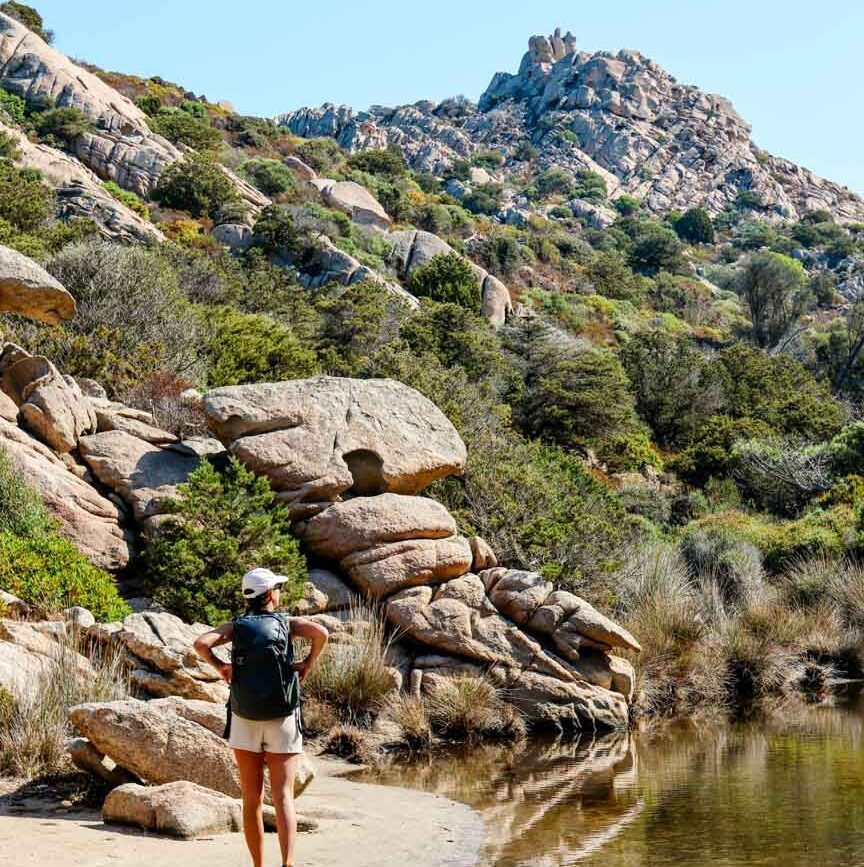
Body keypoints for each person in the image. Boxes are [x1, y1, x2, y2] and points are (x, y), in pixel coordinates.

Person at [194, 567, 329, 867]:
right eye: (278, 588)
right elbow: (321, 633)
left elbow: (201, 644)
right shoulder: (288, 623)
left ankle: (258, 865)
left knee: (251, 800)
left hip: (244, 718)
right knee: (283, 798)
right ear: (269, 594)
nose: (279, 592)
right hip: (282, 717)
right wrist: (307, 663)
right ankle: (288, 863)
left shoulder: (236, 626)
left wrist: (221, 668)